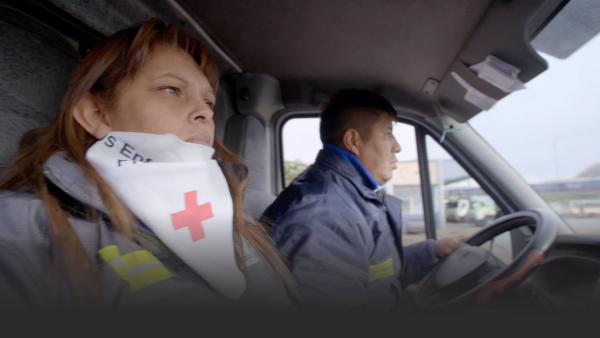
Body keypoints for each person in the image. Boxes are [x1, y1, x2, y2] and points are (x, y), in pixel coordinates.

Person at [0, 18, 297, 311]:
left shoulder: (232, 214)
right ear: (96, 114)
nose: (203, 114)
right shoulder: (22, 228)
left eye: (208, 102)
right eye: (171, 90)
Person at [262, 89, 463, 310]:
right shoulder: (323, 214)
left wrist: (433, 251)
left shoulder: (350, 197)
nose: (397, 146)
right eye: (388, 133)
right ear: (353, 141)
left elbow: (376, 272)